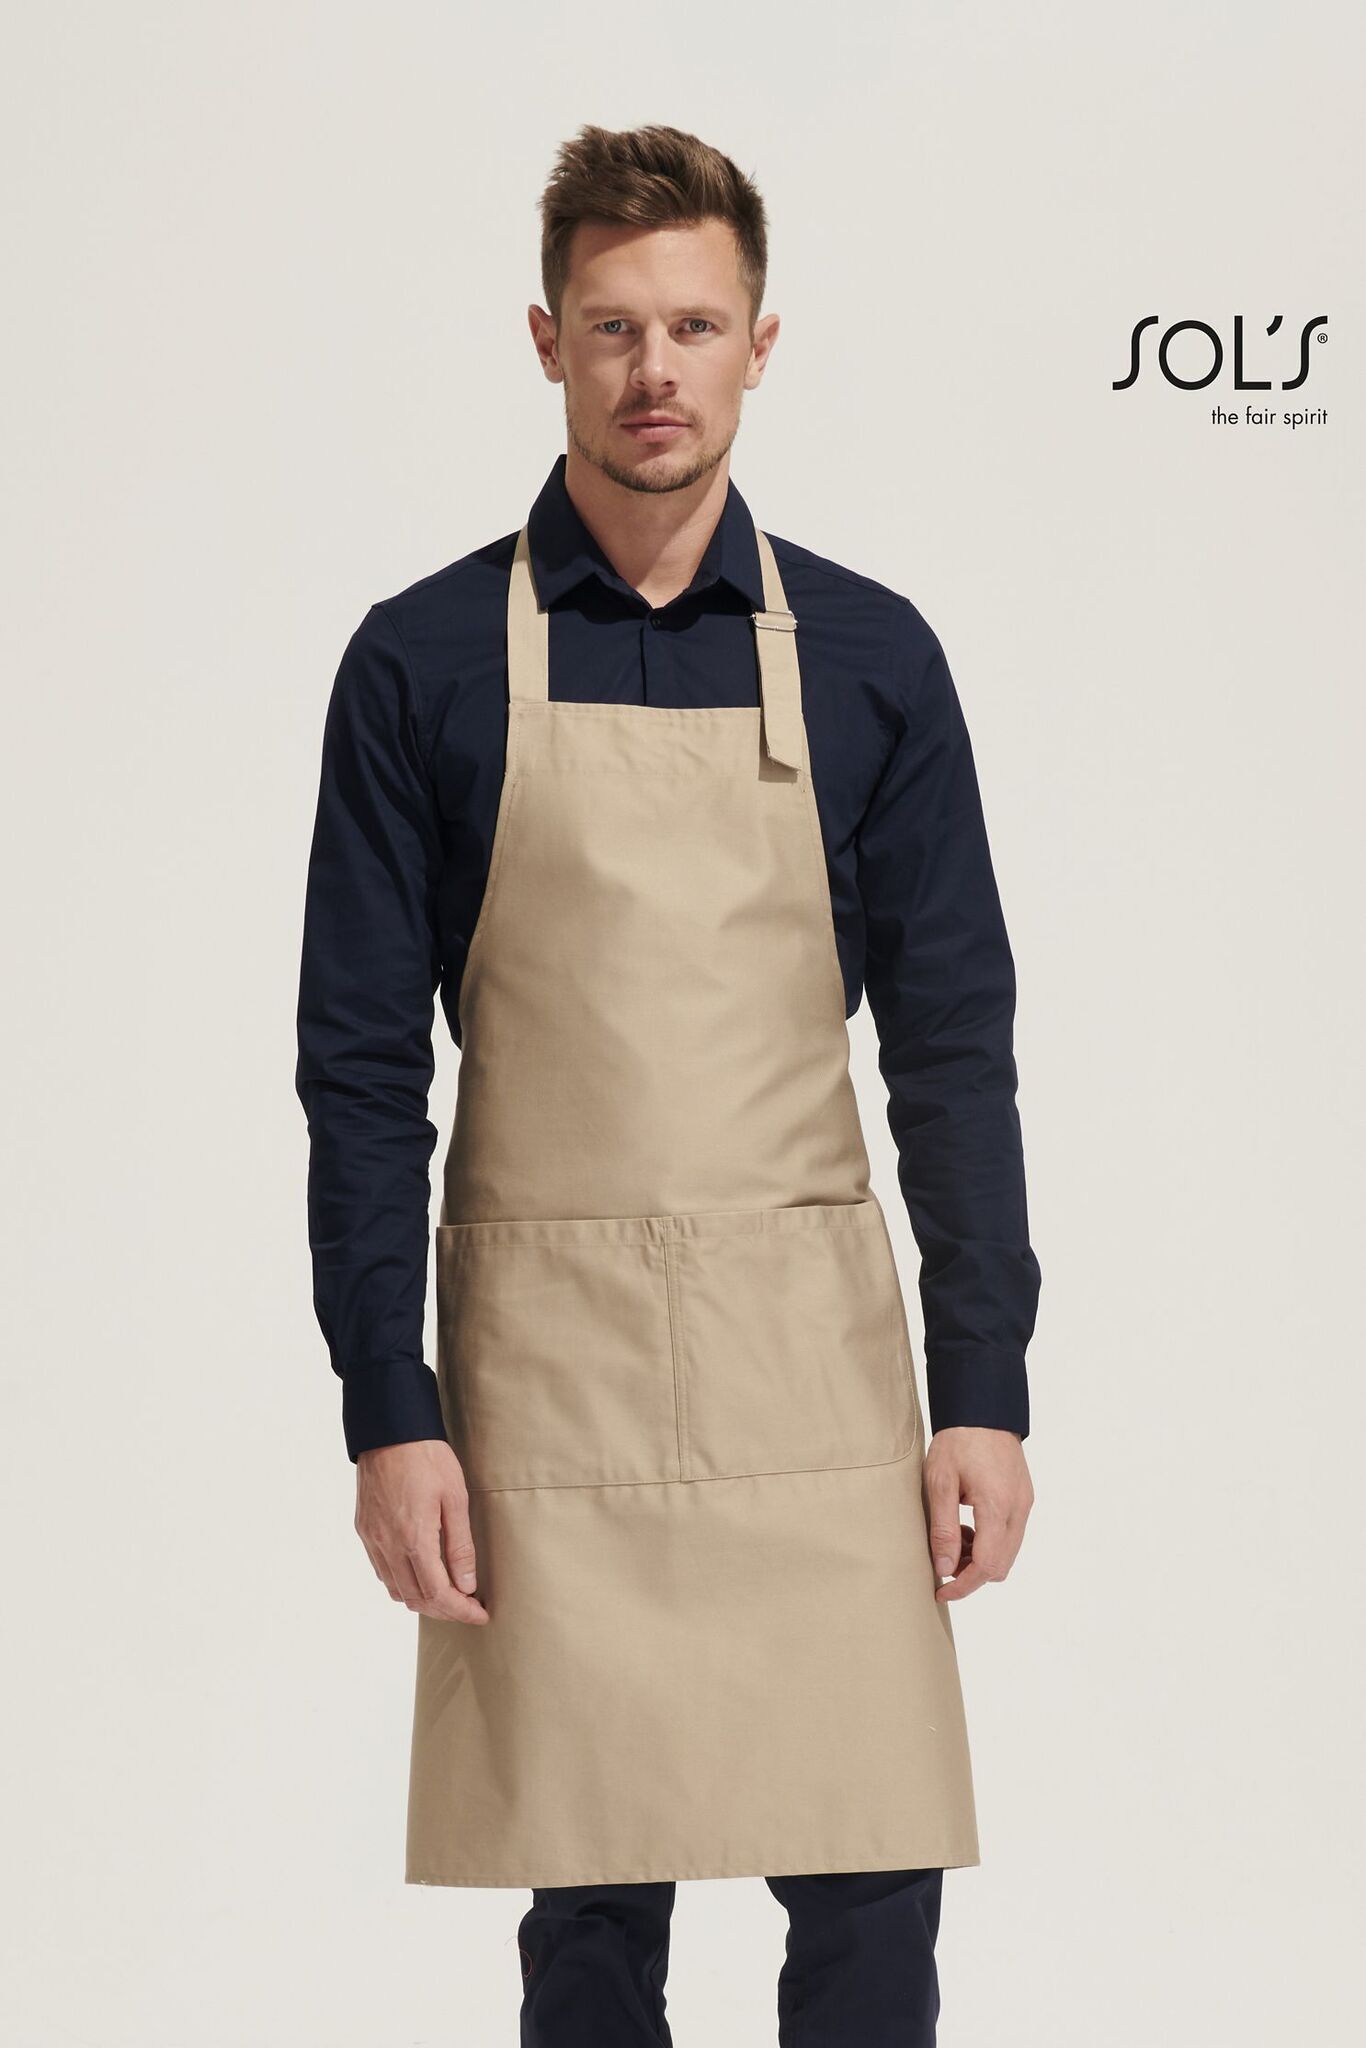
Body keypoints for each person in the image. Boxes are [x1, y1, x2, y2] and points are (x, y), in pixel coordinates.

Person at [294, 120, 1041, 2048]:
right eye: (615, 326)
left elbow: (951, 1047)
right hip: (548, 1374)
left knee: (867, 1886)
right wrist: (388, 1402)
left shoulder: (872, 659)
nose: (655, 370)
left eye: (695, 326)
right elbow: (360, 1072)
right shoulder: (420, 664)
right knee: (588, 1908)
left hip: (811, 1370)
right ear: (546, 339)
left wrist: (983, 1381)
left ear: (757, 346)